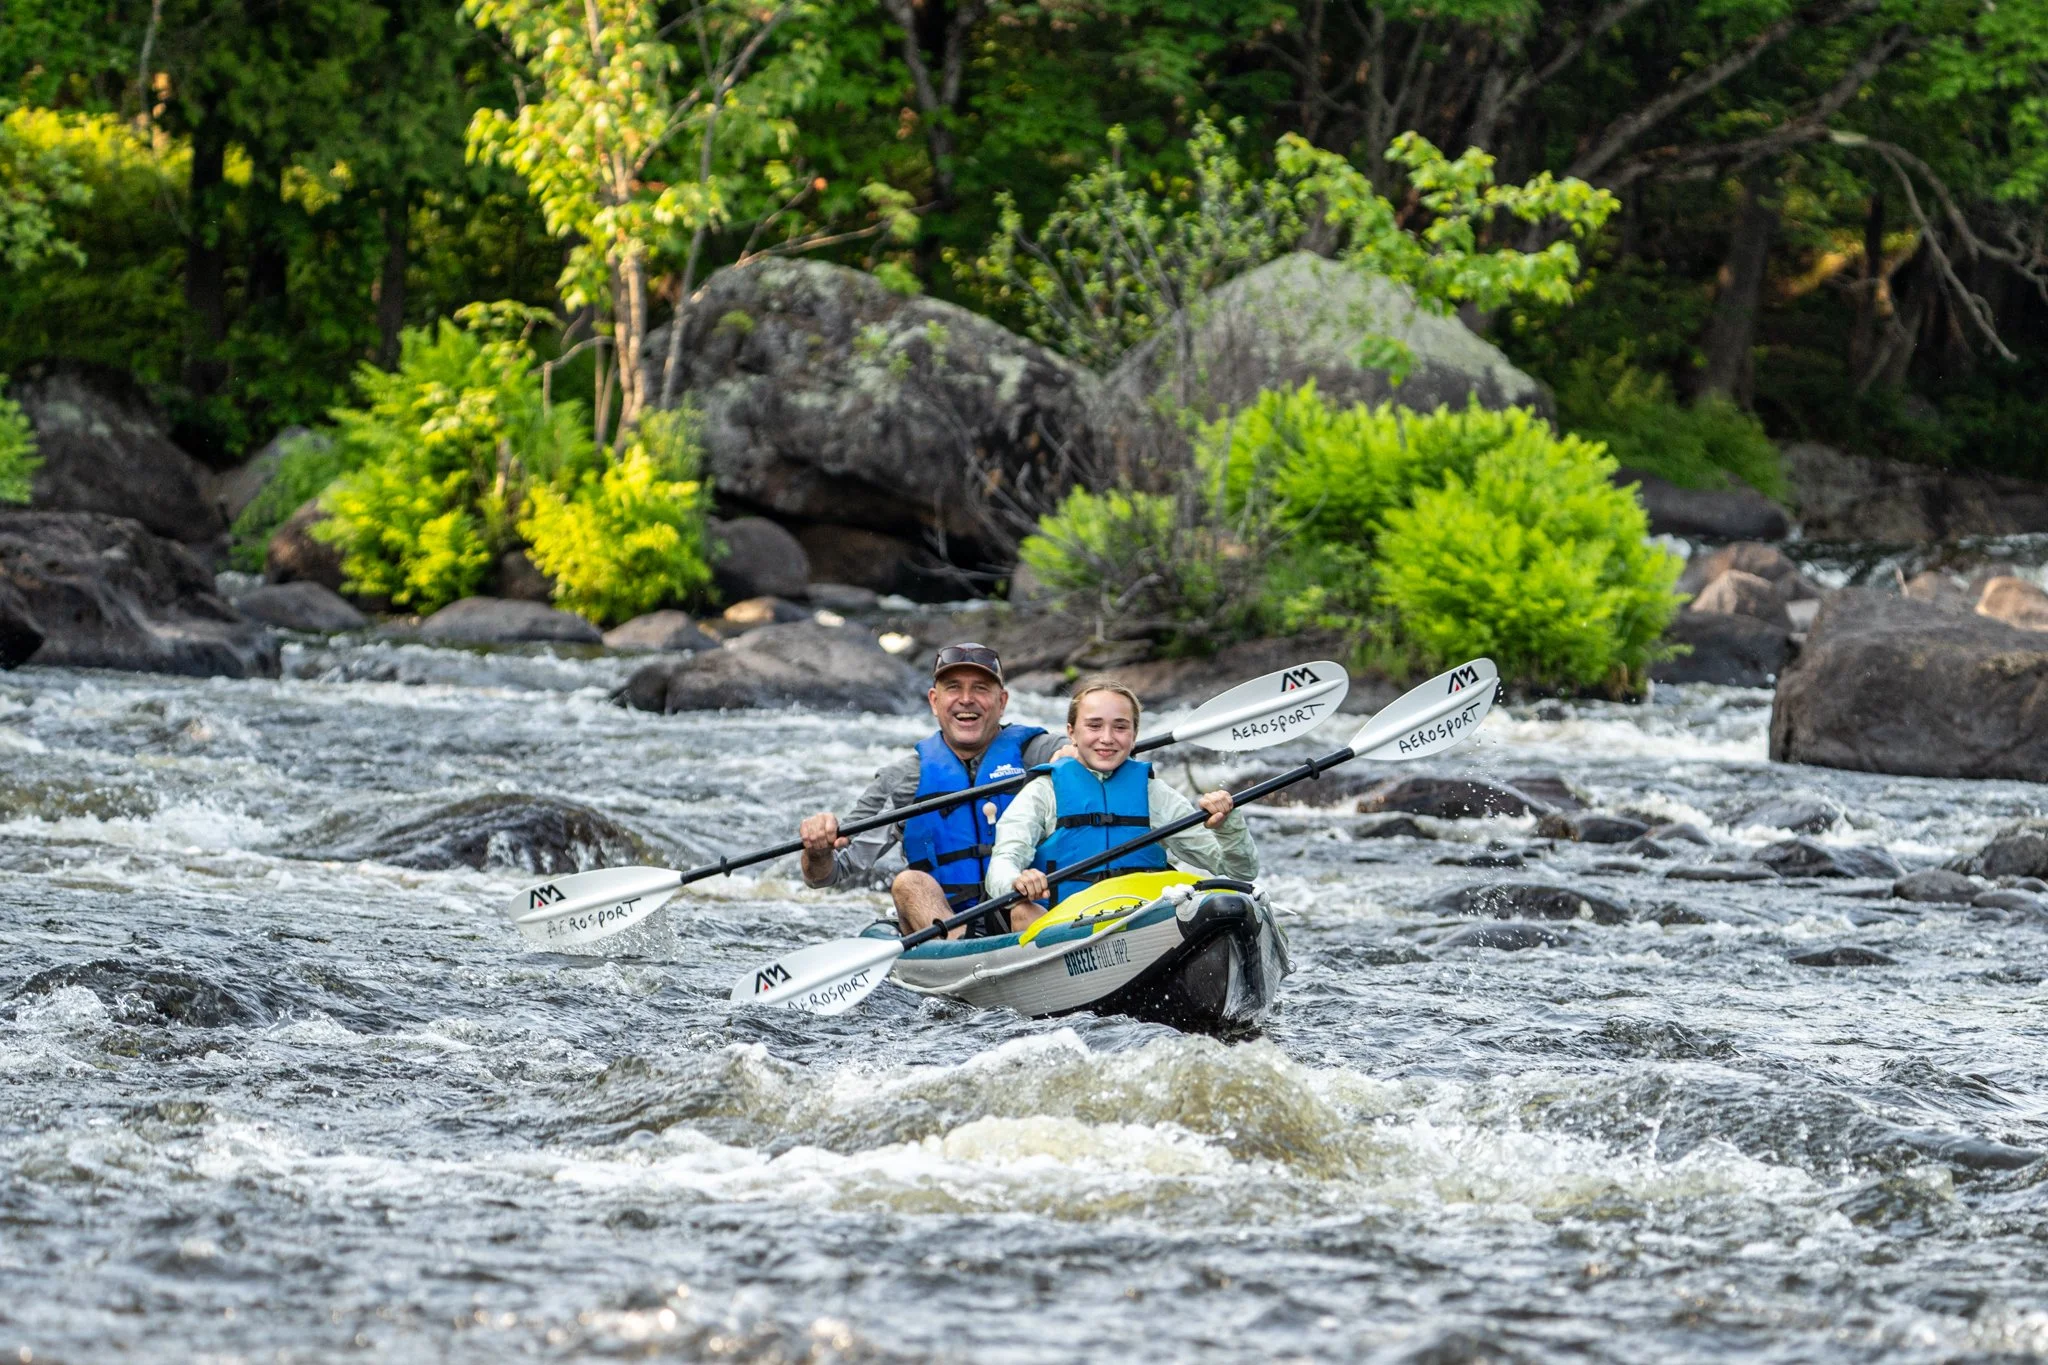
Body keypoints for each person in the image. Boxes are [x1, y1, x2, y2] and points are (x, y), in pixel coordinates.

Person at [798, 642, 1066, 937]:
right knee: (908, 883)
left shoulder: (1040, 752)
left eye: (980, 688)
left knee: (1023, 909)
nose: (966, 699)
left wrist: (1074, 758)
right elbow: (828, 875)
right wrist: (817, 850)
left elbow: (1095, 750)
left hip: (1024, 914)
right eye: (953, 688)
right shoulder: (903, 779)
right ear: (934, 701)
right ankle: (959, 955)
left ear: (1001, 701)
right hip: (944, 925)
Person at [987, 679, 1257, 927]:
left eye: (1120, 727)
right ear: (1072, 732)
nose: (1107, 738)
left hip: (1141, 923)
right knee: (1022, 911)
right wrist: (1016, 882)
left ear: (1134, 734)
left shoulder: (1155, 795)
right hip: (1066, 929)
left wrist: (1227, 825)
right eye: (1094, 726)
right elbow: (1003, 863)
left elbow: (1239, 871)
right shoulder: (1042, 793)